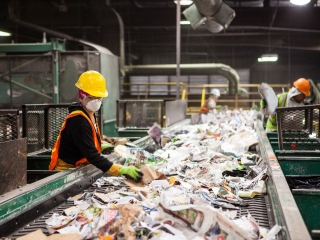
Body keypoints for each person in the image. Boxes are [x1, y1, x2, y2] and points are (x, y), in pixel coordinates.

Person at [49, 70, 143, 182]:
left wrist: (99, 145)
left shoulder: (89, 114)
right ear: (81, 96)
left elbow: (84, 140)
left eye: (99, 97)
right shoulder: (79, 121)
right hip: (65, 174)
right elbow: (93, 156)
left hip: (76, 170)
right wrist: (122, 170)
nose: (96, 101)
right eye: (91, 97)